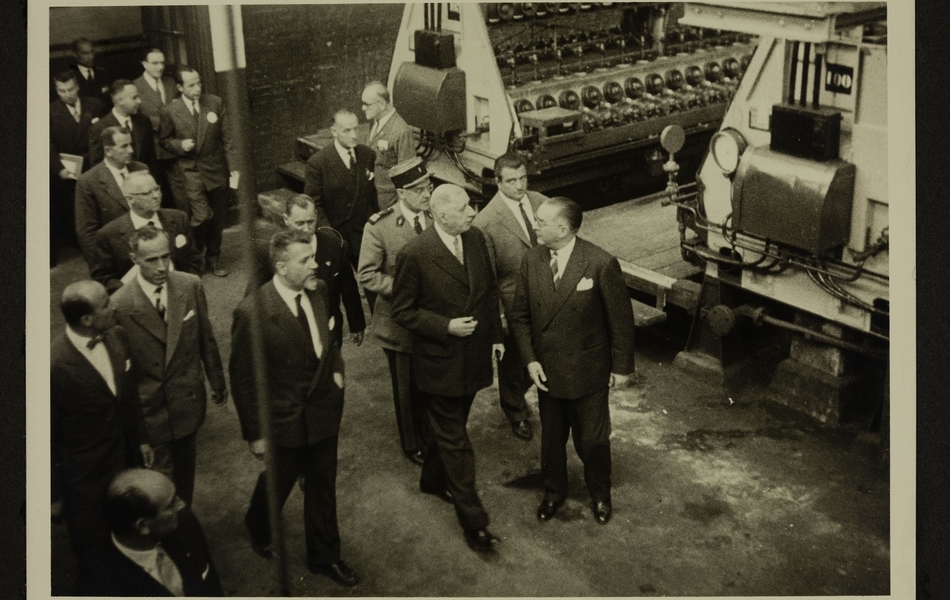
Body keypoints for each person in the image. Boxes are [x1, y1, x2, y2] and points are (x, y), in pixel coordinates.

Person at [230, 229, 359, 586]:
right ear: (282, 266)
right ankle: (258, 523)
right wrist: (255, 434)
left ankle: (325, 557)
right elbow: (244, 380)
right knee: (280, 480)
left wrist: (337, 377)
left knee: (322, 486)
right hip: (283, 419)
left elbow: (329, 343)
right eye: (305, 260)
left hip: (322, 412)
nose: (314, 265)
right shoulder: (252, 312)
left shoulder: (318, 293)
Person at [391, 183, 504, 552]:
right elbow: (403, 311)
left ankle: (431, 479)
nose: (472, 212)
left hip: (473, 358)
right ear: (440, 214)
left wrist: (497, 336)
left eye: (471, 206)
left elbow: (487, 292)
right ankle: (474, 520)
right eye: (463, 208)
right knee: (456, 440)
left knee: (452, 426)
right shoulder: (416, 253)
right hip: (440, 362)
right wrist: (445, 326)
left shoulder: (473, 239)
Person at [508, 197, 636, 525]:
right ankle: (553, 492)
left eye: (540, 221)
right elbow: (519, 315)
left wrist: (621, 368)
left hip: (588, 372)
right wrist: (530, 360)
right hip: (547, 371)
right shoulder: (532, 260)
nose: (535, 225)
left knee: (593, 440)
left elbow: (620, 321)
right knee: (552, 439)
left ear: (562, 229)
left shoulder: (599, 263)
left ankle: (600, 493)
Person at [111, 226, 227, 505]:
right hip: (150, 411)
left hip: (187, 400)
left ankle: (181, 522)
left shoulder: (189, 285)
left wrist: (216, 379)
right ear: (134, 259)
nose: (162, 266)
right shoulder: (119, 305)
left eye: (166, 257)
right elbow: (122, 377)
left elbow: (205, 337)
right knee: (159, 485)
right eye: (152, 260)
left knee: (185, 475)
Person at [51, 280, 152, 583]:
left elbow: (130, 397)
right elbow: (46, 437)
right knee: (95, 555)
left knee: (131, 540)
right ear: (87, 319)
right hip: (85, 481)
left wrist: (143, 440)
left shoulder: (118, 336)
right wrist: (54, 495)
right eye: (106, 304)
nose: (115, 306)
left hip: (126, 461)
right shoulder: (53, 365)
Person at [357, 157, 433, 466]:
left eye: (428, 185)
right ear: (402, 193)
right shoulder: (380, 227)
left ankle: (432, 432)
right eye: (418, 189)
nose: (426, 194)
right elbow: (367, 275)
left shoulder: (436, 217)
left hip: (433, 319)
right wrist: (407, 290)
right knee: (406, 387)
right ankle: (412, 442)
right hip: (399, 323)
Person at [472, 152, 551, 442]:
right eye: (512, 181)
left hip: (549, 296)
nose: (519, 186)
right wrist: (500, 318)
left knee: (544, 353)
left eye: (523, 178)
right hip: (515, 303)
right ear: (498, 182)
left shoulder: (542, 202)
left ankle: (525, 395)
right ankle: (515, 412)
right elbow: (489, 279)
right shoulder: (486, 222)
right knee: (514, 361)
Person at [245, 193, 366, 347]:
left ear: (316, 216)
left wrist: (357, 324)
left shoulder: (335, 246)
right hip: (289, 335)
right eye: (299, 223)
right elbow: (252, 296)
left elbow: (348, 288)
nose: (306, 229)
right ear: (286, 220)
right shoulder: (273, 251)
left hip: (328, 331)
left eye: (310, 222)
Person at [81, 468, 223, 596]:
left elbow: (211, 585)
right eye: (171, 504)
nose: (182, 505)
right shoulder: (99, 585)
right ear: (143, 526)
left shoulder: (184, 523)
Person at [159, 65, 238, 277]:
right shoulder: (170, 111)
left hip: (216, 169)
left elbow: (227, 139)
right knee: (202, 216)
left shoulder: (214, 102)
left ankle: (213, 258)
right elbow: (164, 140)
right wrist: (179, 145)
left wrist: (234, 169)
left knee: (218, 217)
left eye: (199, 82)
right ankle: (194, 254)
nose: (197, 88)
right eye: (191, 85)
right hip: (190, 171)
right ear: (179, 87)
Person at [92, 171, 202, 293]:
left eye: (156, 189)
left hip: (179, 293)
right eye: (147, 193)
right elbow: (104, 279)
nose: (156, 196)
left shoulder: (178, 218)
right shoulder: (108, 234)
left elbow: (194, 259)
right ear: (130, 198)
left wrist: (186, 288)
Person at [304, 109, 379, 270]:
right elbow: (314, 204)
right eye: (347, 130)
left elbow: (372, 196)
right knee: (344, 287)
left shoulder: (367, 155)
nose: (354, 135)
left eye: (356, 129)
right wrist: (330, 236)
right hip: (337, 235)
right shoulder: (318, 163)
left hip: (364, 233)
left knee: (372, 279)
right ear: (334, 132)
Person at [74, 126, 148, 268]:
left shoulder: (141, 169)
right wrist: (101, 266)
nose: (131, 150)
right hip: (117, 258)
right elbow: (86, 232)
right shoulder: (89, 181)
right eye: (124, 146)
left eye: (130, 144)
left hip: (147, 249)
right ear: (108, 151)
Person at [50, 69, 102, 264]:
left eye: (71, 89)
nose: (68, 94)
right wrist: (58, 168)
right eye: (62, 91)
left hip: (93, 163)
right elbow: (49, 144)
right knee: (75, 208)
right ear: (56, 90)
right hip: (68, 169)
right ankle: (85, 246)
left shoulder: (94, 105)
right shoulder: (51, 111)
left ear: (78, 86)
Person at [134, 47, 179, 210]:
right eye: (154, 63)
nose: (160, 67)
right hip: (152, 148)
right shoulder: (136, 87)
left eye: (162, 62)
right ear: (145, 64)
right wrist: (165, 123)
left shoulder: (170, 83)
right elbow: (138, 118)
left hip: (173, 146)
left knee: (178, 189)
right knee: (156, 190)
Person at [360, 81, 416, 211]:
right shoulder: (375, 122)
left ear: (381, 104)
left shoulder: (401, 131)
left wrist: (399, 211)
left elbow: (406, 178)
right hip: (373, 196)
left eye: (366, 104)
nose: (363, 108)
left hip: (388, 203)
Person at [87, 79, 157, 172]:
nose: (139, 101)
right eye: (134, 97)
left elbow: (151, 159)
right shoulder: (98, 129)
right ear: (119, 100)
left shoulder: (144, 121)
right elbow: (98, 167)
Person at [68, 38, 110, 115]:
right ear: (74, 54)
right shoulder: (71, 77)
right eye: (85, 53)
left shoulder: (102, 72)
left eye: (92, 52)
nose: (90, 57)